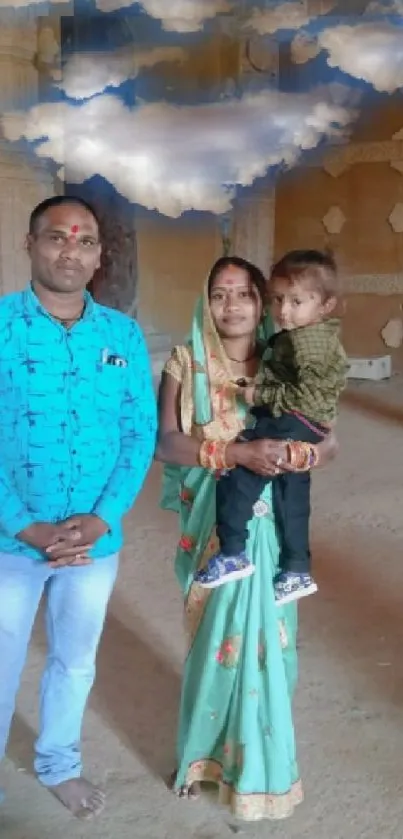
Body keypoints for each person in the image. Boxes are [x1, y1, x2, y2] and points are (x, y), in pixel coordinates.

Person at [156, 255, 337, 821]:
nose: (232, 305)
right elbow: (165, 444)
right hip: (214, 529)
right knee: (215, 644)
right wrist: (234, 453)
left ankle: (264, 772)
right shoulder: (186, 363)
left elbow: (328, 441)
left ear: (263, 303)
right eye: (219, 294)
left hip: (275, 532)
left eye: (244, 294)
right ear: (205, 303)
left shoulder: (287, 357)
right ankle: (198, 759)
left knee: (269, 651)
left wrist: (297, 455)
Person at [0, 195, 156, 818]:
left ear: (98, 256)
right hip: (12, 541)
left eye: (84, 240)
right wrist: (24, 525)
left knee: (75, 658)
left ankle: (58, 762)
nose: (71, 250)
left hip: (94, 543)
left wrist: (102, 517)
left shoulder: (121, 334)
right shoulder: (2, 328)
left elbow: (139, 431)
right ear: (31, 245)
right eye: (56, 238)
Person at [194, 249, 347, 605]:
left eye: (296, 301)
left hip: (296, 420)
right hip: (306, 426)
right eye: (278, 299)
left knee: (243, 474)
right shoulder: (189, 362)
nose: (284, 311)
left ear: (325, 306)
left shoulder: (304, 340)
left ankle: (232, 549)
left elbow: (314, 401)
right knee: (292, 493)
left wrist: (260, 394)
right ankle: (296, 569)